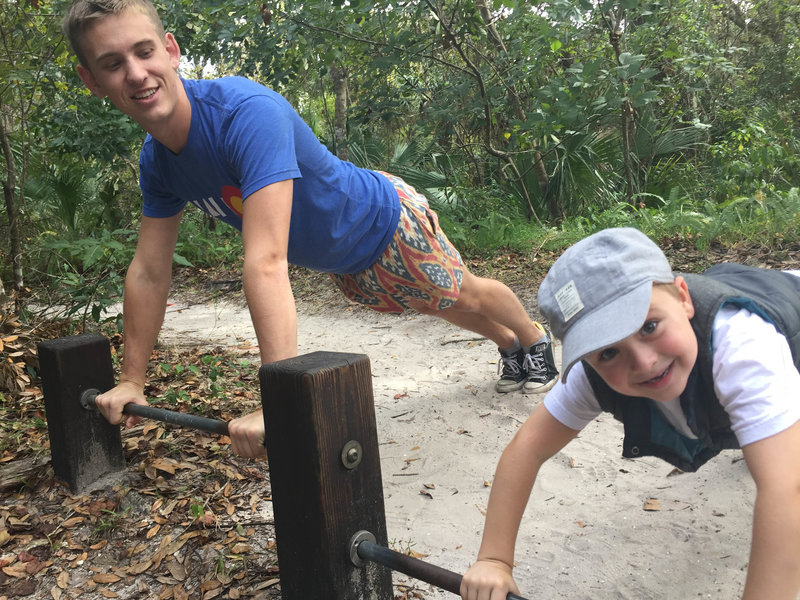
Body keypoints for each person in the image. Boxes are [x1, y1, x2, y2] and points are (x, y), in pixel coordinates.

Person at [60, 0, 559, 458]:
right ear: (93, 80)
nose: (136, 72)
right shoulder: (159, 163)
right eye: (113, 63)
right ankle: (508, 345)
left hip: (382, 218)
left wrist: (280, 400)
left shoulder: (244, 114)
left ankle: (531, 338)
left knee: (462, 292)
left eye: (144, 51)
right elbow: (149, 271)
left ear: (170, 50)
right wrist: (132, 379)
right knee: (437, 301)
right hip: (345, 261)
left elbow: (266, 261)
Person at [460, 227, 800, 600]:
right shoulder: (592, 377)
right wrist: (493, 559)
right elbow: (527, 449)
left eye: (649, 326)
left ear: (684, 299)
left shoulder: (742, 345)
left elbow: (787, 492)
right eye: (607, 352)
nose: (643, 362)